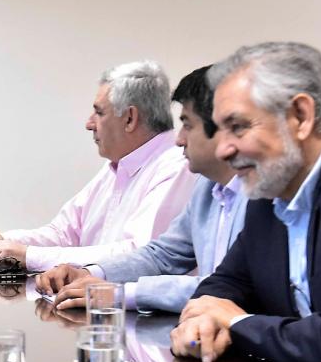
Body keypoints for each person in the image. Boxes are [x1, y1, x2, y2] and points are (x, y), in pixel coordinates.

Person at [171, 41, 321, 362]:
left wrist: (236, 323)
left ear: (300, 117)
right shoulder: (272, 189)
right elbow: (225, 284)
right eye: (219, 131)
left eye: (238, 127)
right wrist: (203, 322)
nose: (223, 150)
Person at [36, 66, 247, 312]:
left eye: (188, 125)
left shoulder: (260, 197)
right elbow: (163, 255)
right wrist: (90, 274)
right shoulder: (207, 185)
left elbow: (230, 287)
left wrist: (119, 294)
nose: (179, 139)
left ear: (225, 129)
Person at [0, 60, 196, 272]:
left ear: (129, 118)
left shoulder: (176, 167)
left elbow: (138, 255)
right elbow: (63, 233)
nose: (89, 124)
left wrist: (29, 255)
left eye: (99, 112)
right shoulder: (116, 167)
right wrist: (3, 242)